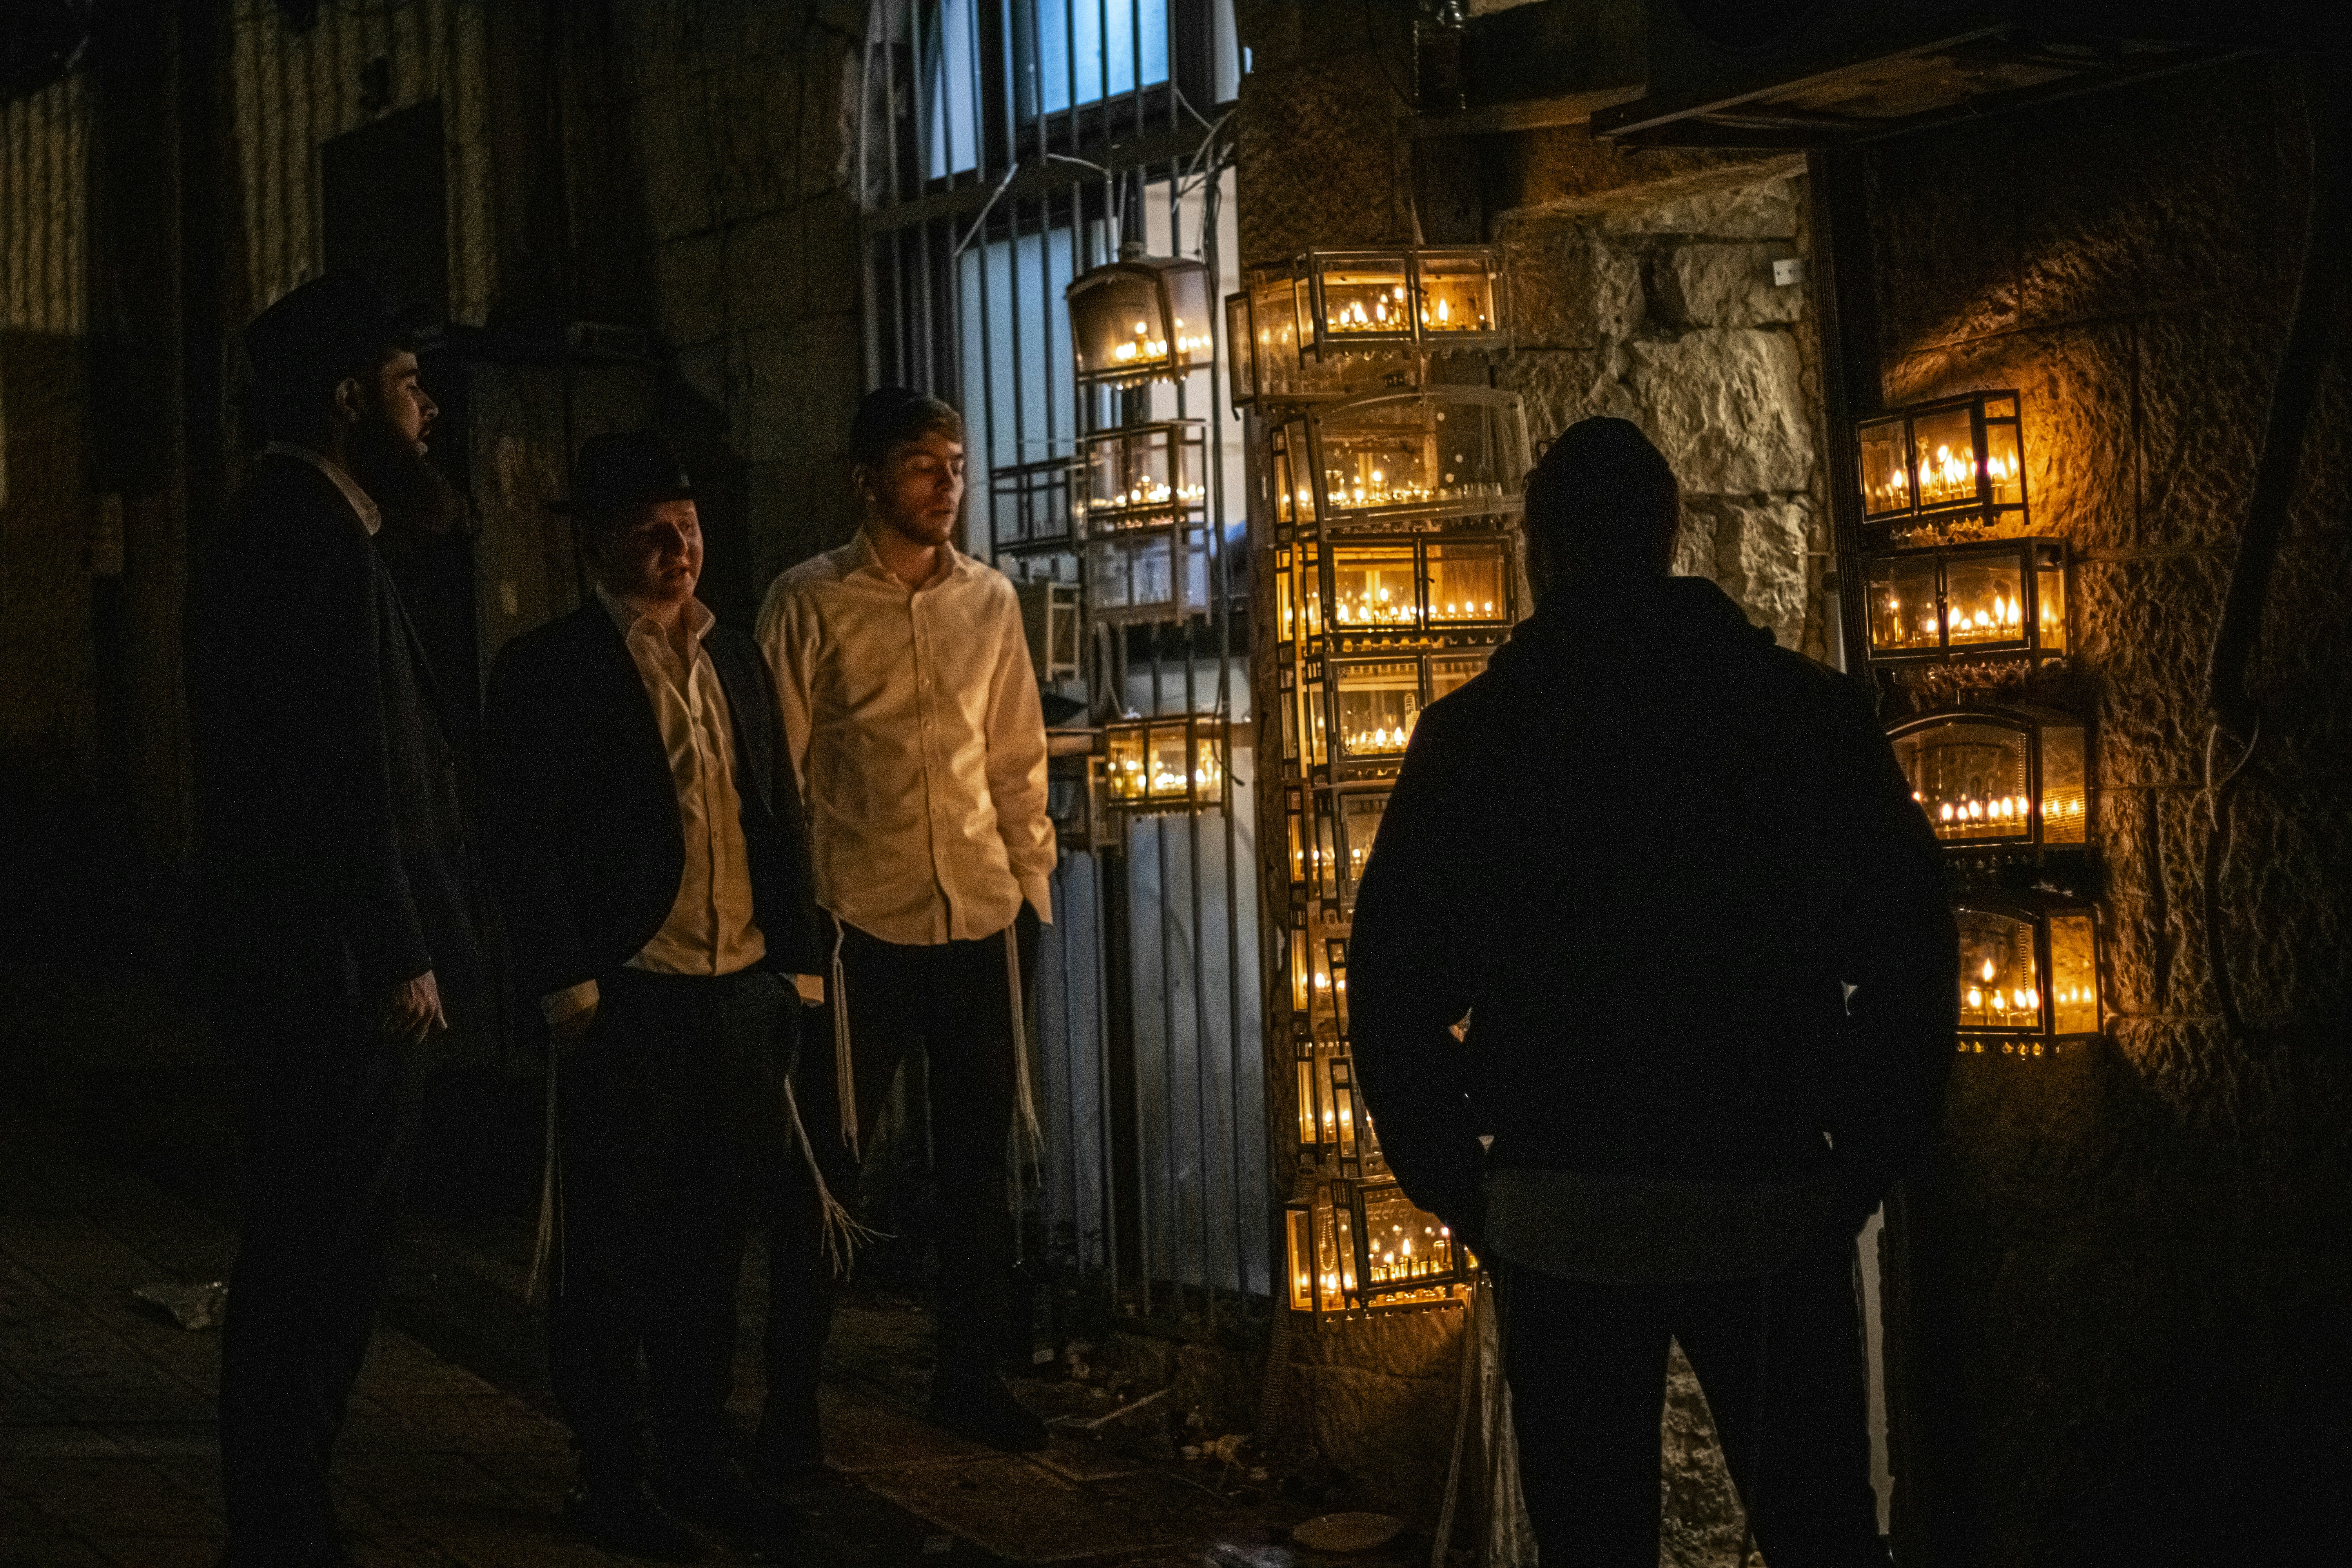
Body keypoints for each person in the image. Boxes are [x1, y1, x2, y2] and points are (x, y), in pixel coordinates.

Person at [1347, 417, 1957, 1566]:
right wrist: (1862, 1159)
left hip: (1562, 1202)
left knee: (1591, 1541)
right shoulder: (1799, 714)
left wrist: (1463, 1186)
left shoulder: (1477, 739)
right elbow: (1908, 947)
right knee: (1822, 1530)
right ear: (1672, 537)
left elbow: (1394, 985)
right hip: (1765, 1186)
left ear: (1537, 550)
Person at [188, 272, 486, 1567]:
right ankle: (281, 1526)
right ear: (352, 397)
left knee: (312, 1251)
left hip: (309, 965)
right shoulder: (303, 533)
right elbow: (337, 770)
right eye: (412, 388)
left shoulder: (298, 525)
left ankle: (285, 1515)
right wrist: (401, 950)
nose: (430, 414)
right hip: (331, 977)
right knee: (316, 1256)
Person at [482, 433, 823, 1562]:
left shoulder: (735, 658)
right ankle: (611, 1471)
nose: (680, 551)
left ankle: (695, 1454)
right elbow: (519, 838)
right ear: (598, 543)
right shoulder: (551, 668)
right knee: (613, 1250)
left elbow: (774, 809)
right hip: (630, 992)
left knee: (713, 1243)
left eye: (690, 528)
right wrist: (568, 983)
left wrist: (794, 963)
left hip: (739, 988)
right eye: (652, 533)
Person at [753, 387, 1056, 1467]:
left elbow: (1016, 756)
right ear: (866, 480)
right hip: (857, 924)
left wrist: (1031, 893)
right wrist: (795, 926)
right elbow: (778, 775)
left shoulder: (990, 601)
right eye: (924, 466)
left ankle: (967, 1379)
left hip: (979, 913)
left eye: (956, 466)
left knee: (977, 1167)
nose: (947, 486)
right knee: (827, 1166)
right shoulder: (809, 602)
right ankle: (790, 1401)